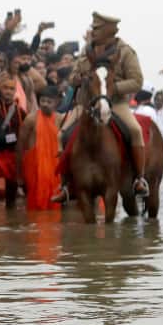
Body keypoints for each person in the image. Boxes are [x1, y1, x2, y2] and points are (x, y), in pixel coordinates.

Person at [52, 13, 148, 202]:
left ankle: (139, 179)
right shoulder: (87, 50)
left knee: (135, 131)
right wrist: (76, 79)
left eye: (97, 28)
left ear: (108, 30)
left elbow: (137, 81)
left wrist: (111, 89)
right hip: (86, 104)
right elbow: (72, 76)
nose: (93, 31)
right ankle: (66, 186)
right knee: (62, 135)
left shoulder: (126, 51)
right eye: (93, 28)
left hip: (115, 103)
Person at [16, 85, 62, 211]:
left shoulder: (60, 119)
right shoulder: (31, 119)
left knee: (54, 204)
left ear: (57, 102)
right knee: (35, 204)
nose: (45, 104)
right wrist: (19, 175)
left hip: (54, 169)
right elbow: (20, 146)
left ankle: (51, 228)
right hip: (34, 168)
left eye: (49, 101)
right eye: (42, 101)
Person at [0, 76, 26, 208]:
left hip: (12, 155)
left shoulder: (19, 110)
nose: (8, 91)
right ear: (0, 89)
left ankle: (11, 218)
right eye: (5, 88)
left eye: (12, 89)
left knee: (12, 192)